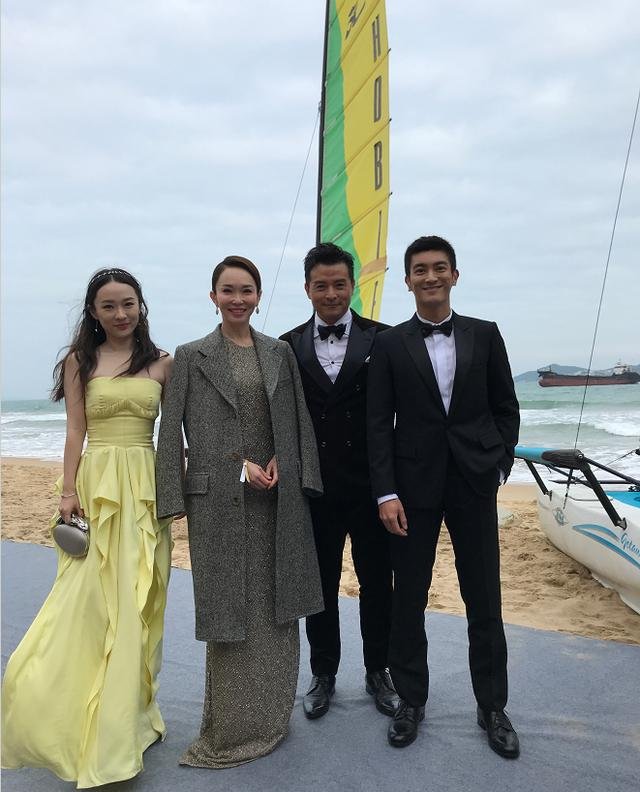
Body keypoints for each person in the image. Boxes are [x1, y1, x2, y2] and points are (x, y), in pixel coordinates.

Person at [1, 268, 174, 787]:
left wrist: (182, 486)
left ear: (141, 306)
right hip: (98, 488)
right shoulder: (80, 361)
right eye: (109, 306)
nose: (120, 314)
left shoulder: (165, 363)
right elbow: (75, 428)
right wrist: (67, 491)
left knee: (138, 601)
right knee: (89, 601)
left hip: (144, 488)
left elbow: (178, 434)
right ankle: (65, 715)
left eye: (128, 303)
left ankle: (126, 722)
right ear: (93, 313)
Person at [155, 255, 324, 768]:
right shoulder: (191, 355)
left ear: (258, 296)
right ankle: (228, 730)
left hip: (277, 500)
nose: (237, 299)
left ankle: (271, 718)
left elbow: (297, 420)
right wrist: (183, 493)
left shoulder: (279, 352)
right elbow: (172, 432)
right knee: (230, 613)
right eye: (228, 290)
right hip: (219, 504)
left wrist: (287, 462)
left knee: (276, 606)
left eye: (246, 290)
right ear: (213, 297)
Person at [367, 236, 521, 757]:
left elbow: (506, 406)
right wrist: (386, 492)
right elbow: (378, 424)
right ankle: (411, 700)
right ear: (407, 280)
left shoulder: (485, 333)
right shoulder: (389, 344)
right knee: (408, 597)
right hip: (411, 488)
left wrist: (499, 461)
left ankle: (492, 706)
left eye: (439, 268)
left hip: (474, 481)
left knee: (485, 597)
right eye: (420, 270)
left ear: (455, 275)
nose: (430, 277)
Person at [280, 242, 396, 720]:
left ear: (353, 285)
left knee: (378, 584)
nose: (331, 293)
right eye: (321, 285)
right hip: (316, 488)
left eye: (339, 284)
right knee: (321, 587)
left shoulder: (384, 339)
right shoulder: (287, 345)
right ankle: (323, 673)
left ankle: (378, 670)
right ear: (307, 289)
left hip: (372, 487)